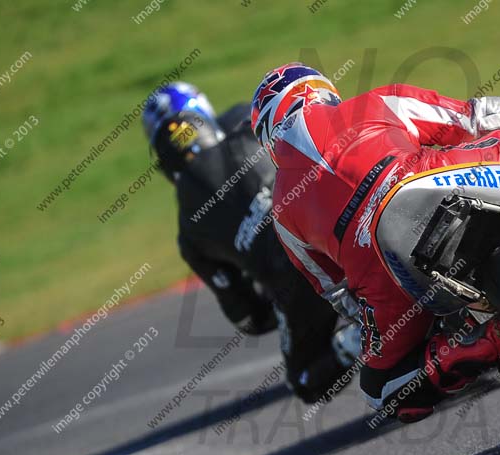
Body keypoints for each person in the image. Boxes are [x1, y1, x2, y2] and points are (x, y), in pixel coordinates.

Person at [250, 63, 500, 422]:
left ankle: (484, 345)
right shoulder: (369, 102)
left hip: (382, 267)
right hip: (430, 181)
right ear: (320, 93)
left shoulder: (282, 214)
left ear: (268, 134)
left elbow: (336, 292)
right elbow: (474, 116)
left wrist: (404, 320)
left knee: (379, 387)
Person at [142, 81, 357, 403]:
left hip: (294, 281)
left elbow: (249, 318)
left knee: (305, 381)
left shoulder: (188, 230)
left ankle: (356, 341)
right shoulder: (250, 120)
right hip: (341, 220)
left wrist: (274, 299)